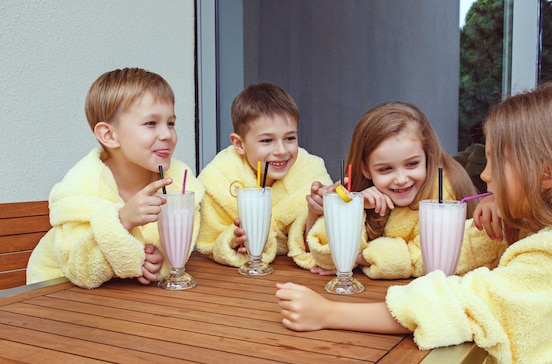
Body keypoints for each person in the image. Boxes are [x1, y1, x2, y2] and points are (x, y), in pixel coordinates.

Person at [276, 80, 552, 364]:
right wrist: (507, 216)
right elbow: (459, 249)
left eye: (494, 163)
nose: (485, 177)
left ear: (546, 175)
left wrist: (328, 314)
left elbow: (455, 303)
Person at [27, 68, 204, 289]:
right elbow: (80, 269)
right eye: (151, 123)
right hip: (54, 293)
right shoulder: (82, 186)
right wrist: (122, 220)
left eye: (170, 123)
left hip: (124, 299)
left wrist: (159, 263)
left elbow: (174, 251)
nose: (167, 134)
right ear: (110, 135)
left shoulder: (179, 183)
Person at [306, 102, 505, 279]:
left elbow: (424, 258)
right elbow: (323, 256)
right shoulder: (355, 193)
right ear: (365, 169)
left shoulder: (444, 195)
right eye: (385, 169)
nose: (401, 180)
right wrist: (349, 208)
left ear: (428, 157)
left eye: (411, 164)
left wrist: (361, 257)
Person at [196, 82, 332, 269]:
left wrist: (314, 212)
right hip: (234, 280)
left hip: (294, 276)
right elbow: (209, 243)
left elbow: (317, 244)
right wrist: (232, 240)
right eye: (267, 140)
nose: (281, 150)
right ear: (239, 144)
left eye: (290, 138)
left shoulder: (311, 174)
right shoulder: (219, 178)